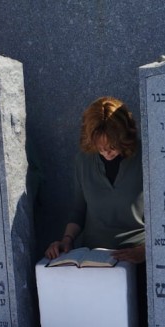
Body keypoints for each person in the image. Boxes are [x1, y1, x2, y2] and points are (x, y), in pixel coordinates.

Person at [45, 96, 144, 264]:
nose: (106, 153)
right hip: (95, 258)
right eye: (100, 148)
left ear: (124, 137)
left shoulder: (144, 156)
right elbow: (79, 210)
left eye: (112, 146)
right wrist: (67, 240)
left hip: (138, 255)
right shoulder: (84, 161)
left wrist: (147, 251)